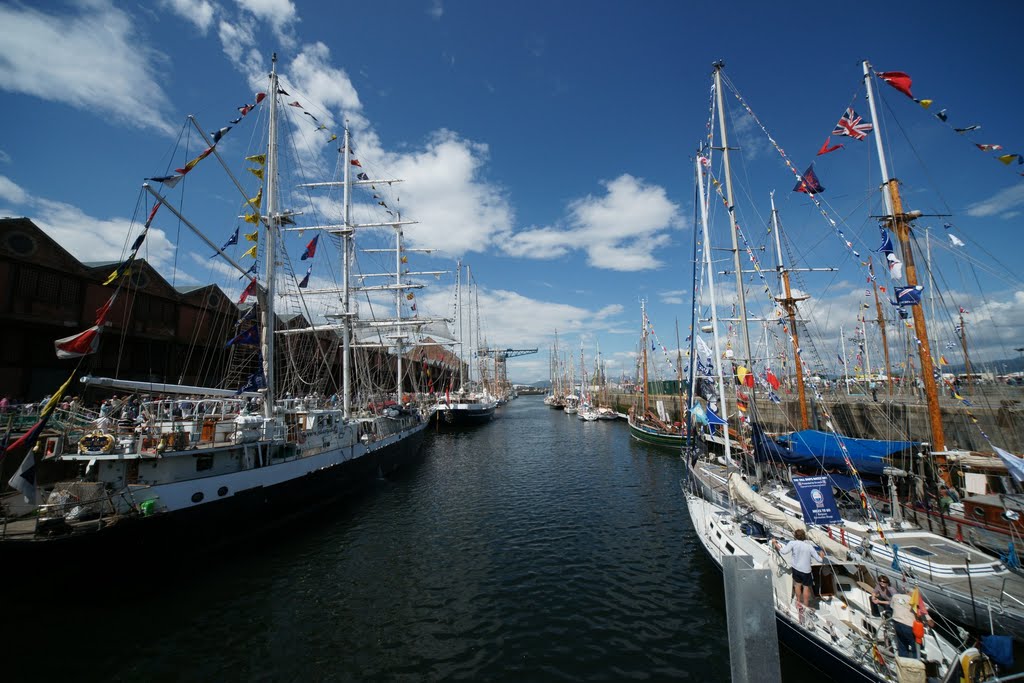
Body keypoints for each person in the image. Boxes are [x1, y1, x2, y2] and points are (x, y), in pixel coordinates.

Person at [772, 528, 825, 607]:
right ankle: (806, 606)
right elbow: (820, 560)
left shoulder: (792, 543)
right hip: (806, 571)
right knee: (806, 588)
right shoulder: (809, 546)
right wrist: (821, 555)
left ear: (795, 536)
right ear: (804, 537)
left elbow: (783, 551)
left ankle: (798, 602)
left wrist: (775, 543)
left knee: (797, 585)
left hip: (796, 569)